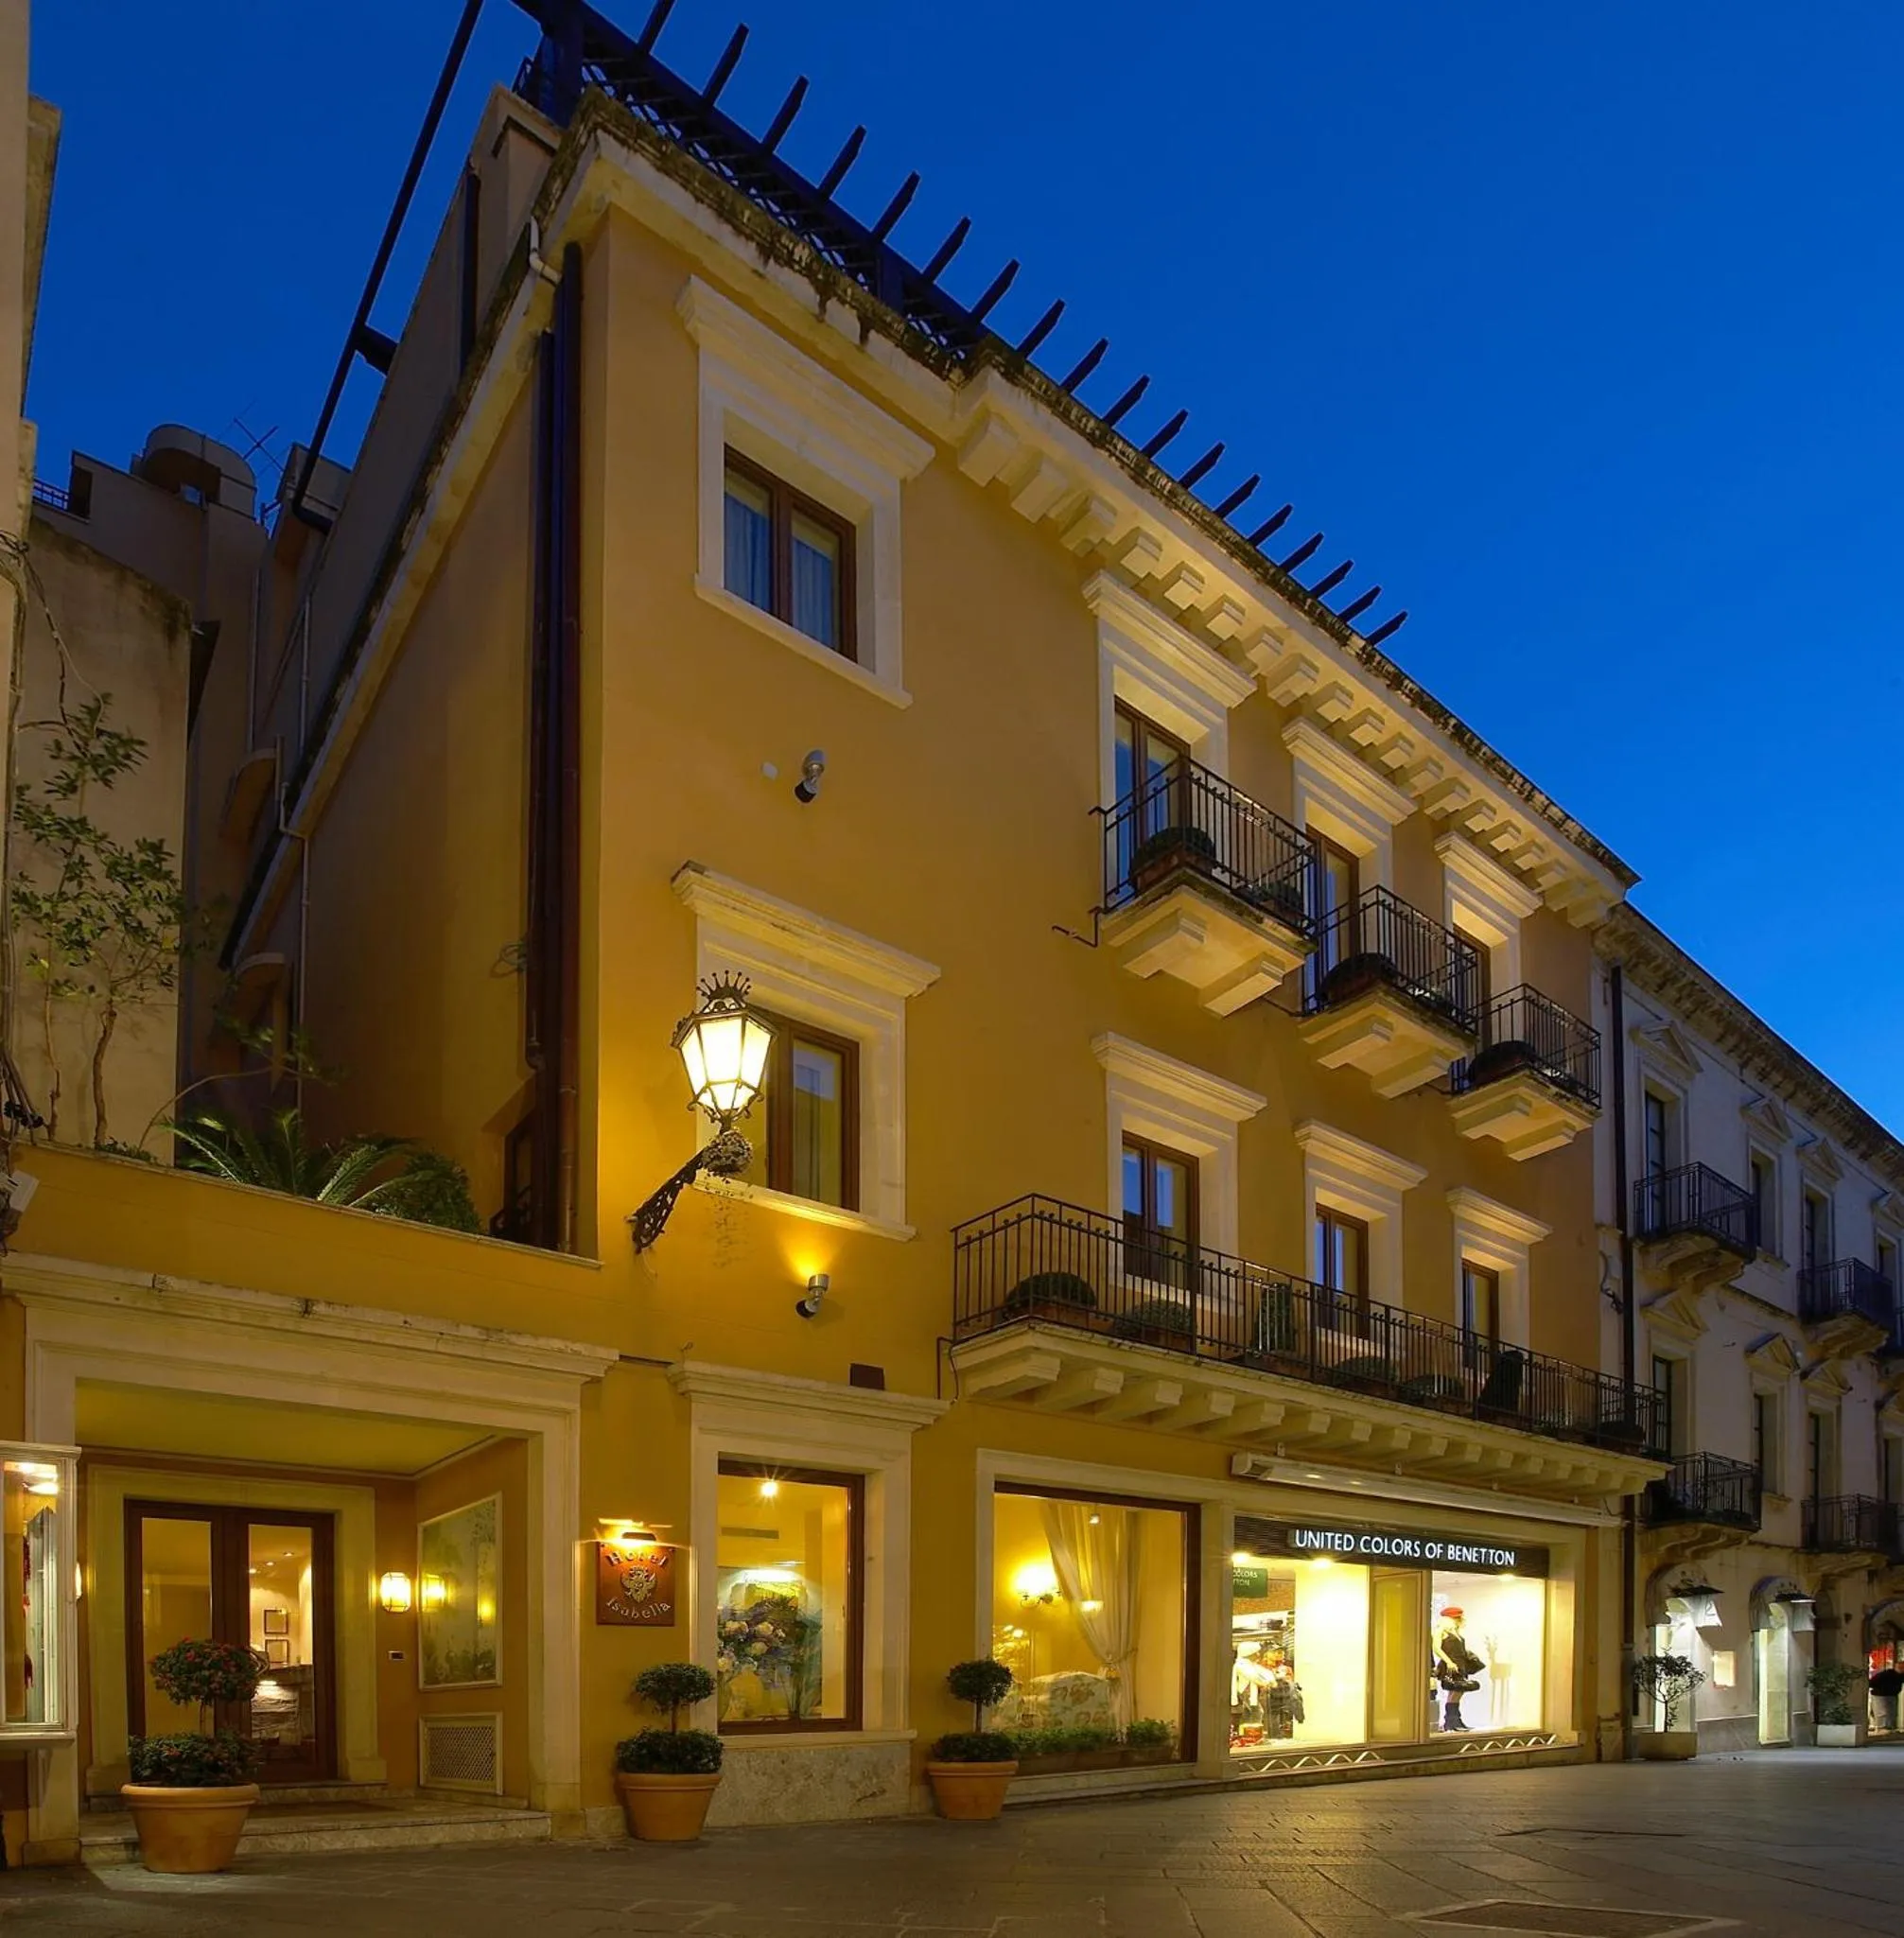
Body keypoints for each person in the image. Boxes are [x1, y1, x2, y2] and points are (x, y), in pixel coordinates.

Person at [1435, 1605, 1485, 1733]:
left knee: (1458, 1692)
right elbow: (1436, 1648)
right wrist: (1449, 1662)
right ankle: (1451, 1722)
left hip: (1460, 1664)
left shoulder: (1456, 1632)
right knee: (1455, 1692)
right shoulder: (1441, 1631)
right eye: (1457, 1618)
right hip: (1451, 1665)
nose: (1460, 1620)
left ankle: (1455, 1721)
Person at [1870, 1663, 1903, 1733]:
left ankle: (1889, 1726)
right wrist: (1880, 1688)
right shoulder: (1887, 1674)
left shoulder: (1900, 1675)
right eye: (1901, 1667)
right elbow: (1872, 1682)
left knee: (1891, 1712)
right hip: (1880, 1694)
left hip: (1891, 1695)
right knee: (1882, 1711)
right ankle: (1881, 1727)